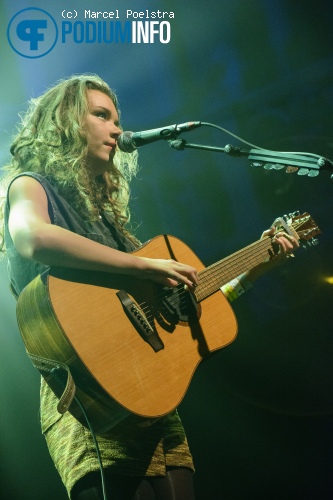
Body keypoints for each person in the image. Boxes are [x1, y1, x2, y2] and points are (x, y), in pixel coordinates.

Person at [0, 74, 298, 500]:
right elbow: (32, 238)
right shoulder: (30, 184)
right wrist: (142, 264)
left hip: (152, 400)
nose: (118, 129)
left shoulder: (111, 225)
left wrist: (255, 270)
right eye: (101, 115)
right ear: (66, 123)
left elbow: (188, 314)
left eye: (116, 118)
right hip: (90, 398)